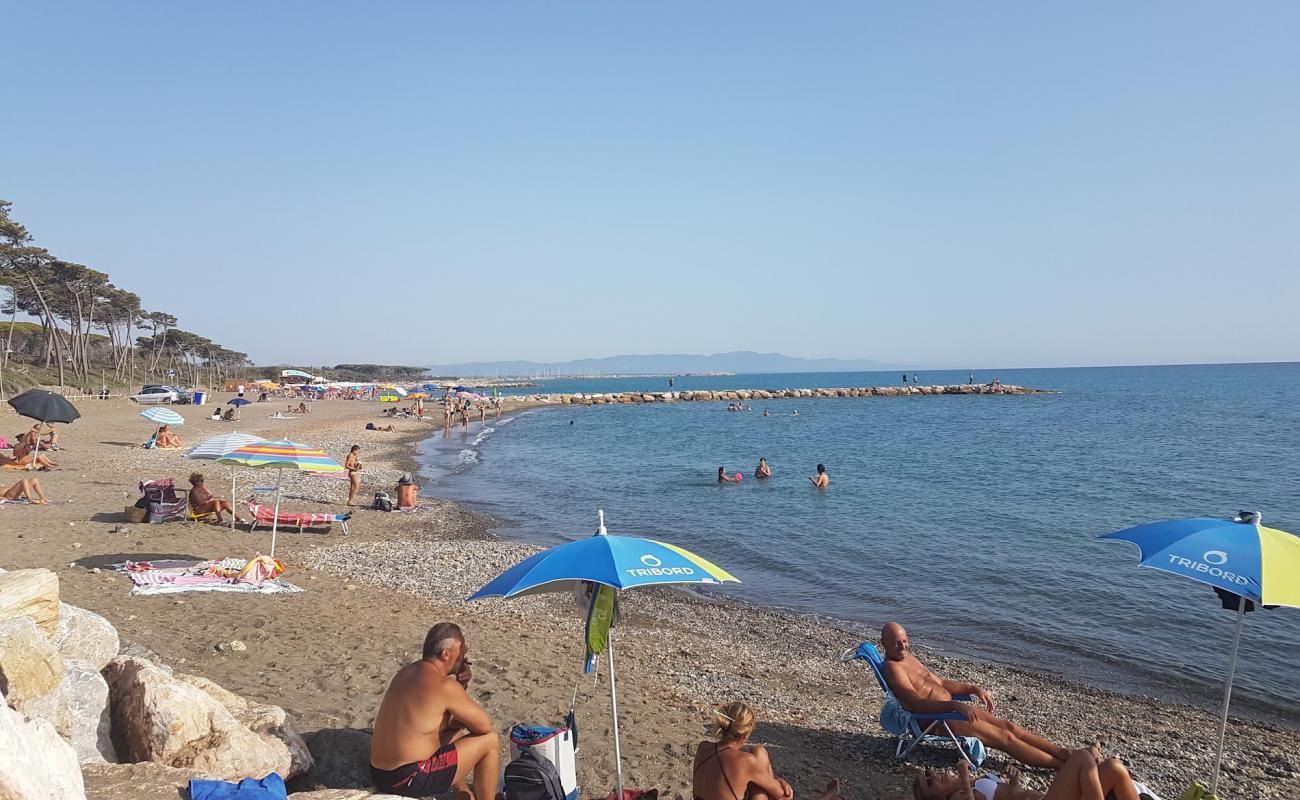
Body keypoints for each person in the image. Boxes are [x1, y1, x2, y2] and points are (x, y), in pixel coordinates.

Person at [880, 623, 1069, 769]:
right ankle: (1063, 766)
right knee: (1005, 738)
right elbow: (916, 704)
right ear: (884, 644)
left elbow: (941, 684)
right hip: (936, 719)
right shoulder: (893, 667)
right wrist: (954, 706)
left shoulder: (907, 657)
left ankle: (1065, 754)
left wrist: (972, 688)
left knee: (1008, 726)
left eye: (905, 641)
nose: (903, 646)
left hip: (949, 709)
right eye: (897, 643)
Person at [370, 622, 499, 800]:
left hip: (380, 774)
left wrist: (460, 685)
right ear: (446, 654)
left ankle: (463, 794)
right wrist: (458, 686)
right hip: (408, 778)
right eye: (462, 651)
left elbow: (438, 720)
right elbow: (484, 726)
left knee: (453, 736)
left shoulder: (406, 672)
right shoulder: (444, 686)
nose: (464, 656)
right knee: (490, 741)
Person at [693, 701, 840, 800]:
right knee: (760, 754)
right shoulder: (746, 762)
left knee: (758, 755)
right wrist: (779, 782)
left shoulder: (703, 747)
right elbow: (781, 794)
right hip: (757, 774)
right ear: (747, 732)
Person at [911, 751, 1146, 800]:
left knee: (1114, 768)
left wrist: (1013, 782)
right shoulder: (959, 797)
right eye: (929, 782)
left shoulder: (973, 784)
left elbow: (1010, 795)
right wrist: (963, 776)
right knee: (1082, 758)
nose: (935, 775)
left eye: (929, 773)